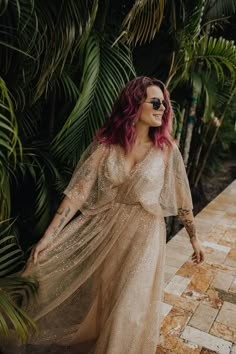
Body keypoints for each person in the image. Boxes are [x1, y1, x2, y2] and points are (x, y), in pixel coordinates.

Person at [3, 76, 204, 354]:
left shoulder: (166, 150)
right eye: (156, 102)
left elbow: (183, 199)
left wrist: (194, 239)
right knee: (106, 300)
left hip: (145, 236)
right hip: (107, 232)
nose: (163, 109)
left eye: (165, 104)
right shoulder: (107, 146)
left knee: (130, 306)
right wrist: (49, 237)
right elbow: (78, 194)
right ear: (134, 105)